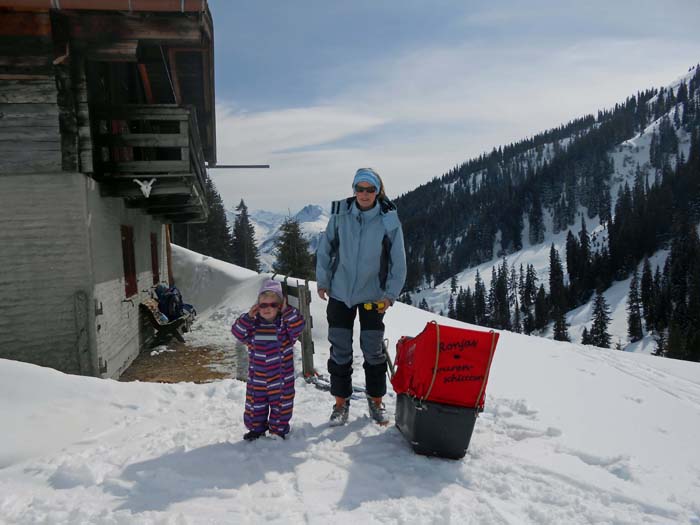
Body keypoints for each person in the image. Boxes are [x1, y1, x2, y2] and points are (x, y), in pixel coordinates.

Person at [316, 168, 407, 426]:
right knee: (340, 350)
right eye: (360, 188)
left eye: (370, 189)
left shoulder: (388, 219)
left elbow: (398, 261)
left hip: (373, 295)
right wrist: (323, 281)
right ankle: (340, 404)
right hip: (340, 293)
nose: (364, 194)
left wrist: (390, 295)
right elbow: (325, 249)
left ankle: (376, 401)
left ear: (378, 192)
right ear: (353, 190)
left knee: (373, 350)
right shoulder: (340, 214)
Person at [231, 279, 305, 441]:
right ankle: (256, 429)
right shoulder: (253, 325)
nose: (268, 308)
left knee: (281, 406)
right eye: (263, 305)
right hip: (257, 378)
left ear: (279, 306)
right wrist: (248, 317)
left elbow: (299, 325)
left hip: (281, 379)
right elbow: (237, 332)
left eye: (273, 304)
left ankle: (278, 430)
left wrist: (287, 310)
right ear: (257, 306)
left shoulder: (285, 326)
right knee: (255, 406)